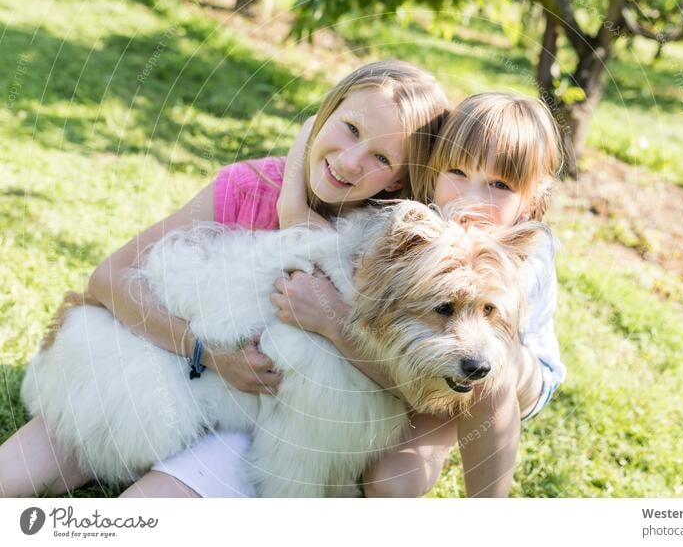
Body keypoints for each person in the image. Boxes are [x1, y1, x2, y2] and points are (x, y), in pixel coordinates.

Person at [0, 59, 449, 498]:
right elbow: (111, 277)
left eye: (381, 157)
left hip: (271, 430)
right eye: (350, 129)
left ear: (396, 183)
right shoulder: (250, 185)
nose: (350, 162)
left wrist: (332, 319)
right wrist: (208, 354)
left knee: (136, 517)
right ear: (327, 112)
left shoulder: (393, 248)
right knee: (13, 475)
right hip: (175, 372)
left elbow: (414, 388)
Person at [275, 92, 567, 497]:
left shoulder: (523, 247)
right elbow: (310, 232)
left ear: (532, 199)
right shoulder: (416, 223)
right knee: (390, 484)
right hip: (434, 372)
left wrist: (332, 322)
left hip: (509, 373)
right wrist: (292, 187)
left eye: (499, 185)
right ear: (432, 170)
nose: (472, 199)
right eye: (458, 173)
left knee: (488, 366)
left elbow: (477, 360)